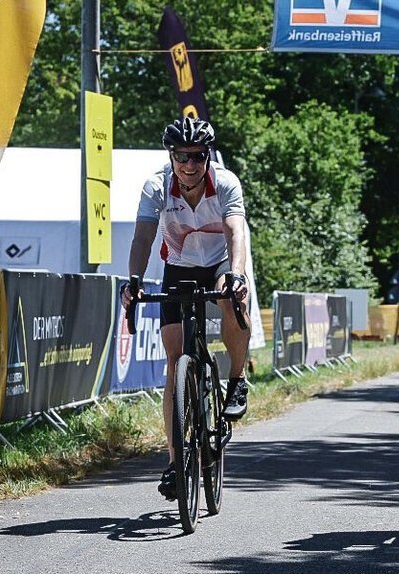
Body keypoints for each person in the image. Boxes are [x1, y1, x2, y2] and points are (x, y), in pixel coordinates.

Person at [121, 117, 251, 497]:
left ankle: (237, 380)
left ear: (207, 156)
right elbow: (143, 237)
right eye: (182, 156)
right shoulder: (156, 186)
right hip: (178, 265)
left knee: (231, 297)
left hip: (220, 263)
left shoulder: (225, 183)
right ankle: (175, 463)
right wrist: (134, 280)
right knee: (175, 361)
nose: (189, 164)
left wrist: (237, 275)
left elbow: (236, 231)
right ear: (171, 157)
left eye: (197, 156)